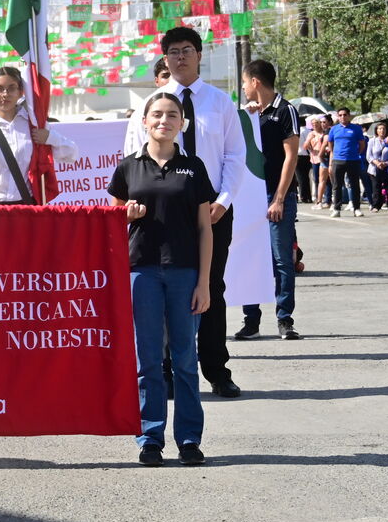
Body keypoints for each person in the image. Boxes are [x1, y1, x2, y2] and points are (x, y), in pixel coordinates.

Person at [107, 90, 211, 467]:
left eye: (172, 115)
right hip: (142, 272)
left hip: (185, 274)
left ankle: (188, 439)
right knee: (147, 360)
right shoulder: (128, 167)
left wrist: (204, 283)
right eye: (157, 115)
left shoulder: (194, 167)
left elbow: (205, 228)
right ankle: (150, 437)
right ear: (145, 121)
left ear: (181, 124)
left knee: (185, 359)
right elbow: (111, 223)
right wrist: (127, 216)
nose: (164, 121)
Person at [141, 27, 245, 399]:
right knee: (166, 288)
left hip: (214, 211)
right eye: (172, 51)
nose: (180, 57)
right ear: (164, 58)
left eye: (187, 50)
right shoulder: (150, 105)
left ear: (200, 55)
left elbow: (236, 155)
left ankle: (217, 369)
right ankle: (166, 370)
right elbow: (134, 159)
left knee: (211, 287)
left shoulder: (220, 103)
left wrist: (224, 199)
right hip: (164, 215)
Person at [236, 59, 302, 341]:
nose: (243, 89)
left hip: (278, 196)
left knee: (281, 259)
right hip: (249, 197)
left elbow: (291, 157)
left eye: (243, 83)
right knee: (250, 256)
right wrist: (247, 118)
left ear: (255, 82)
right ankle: (251, 320)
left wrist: (279, 199)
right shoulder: (248, 115)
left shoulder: (286, 110)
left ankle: (284, 318)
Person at [0, 66, 77, 205]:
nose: (5, 94)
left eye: (11, 88)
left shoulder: (34, 125)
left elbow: (71, 154)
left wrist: (50, 137)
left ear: (21, 92)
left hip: (25, 207)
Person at [121, 56, 172, 156]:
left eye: (174, 75)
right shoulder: (142, 110)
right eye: (166, 76)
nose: (170, 80)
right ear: (156, 81)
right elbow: (133, 153)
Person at [325, 107, 366, 217]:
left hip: (353, 160)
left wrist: (355, 153)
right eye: (340, 115)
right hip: (338, 160)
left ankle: (356, 208)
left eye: (345, 115)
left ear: (348, 116)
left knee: (355, 185)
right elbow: (330, 144)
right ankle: (337, 209)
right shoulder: (334, 129)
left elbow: (362, 144)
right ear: (338, 117)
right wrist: (333, 157)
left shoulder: (356, 129)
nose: (343, 117)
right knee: (337, 185)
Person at [365, 122, 388, 212]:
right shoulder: (372, 141)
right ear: (376, 130)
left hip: (387, 167)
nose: (382, 131)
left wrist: (385, 163)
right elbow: (369, 155)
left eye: (384, 129)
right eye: (379, 129)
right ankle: (376, 205)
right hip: (374, 168)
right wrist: (377, 163)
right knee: (376, 187)